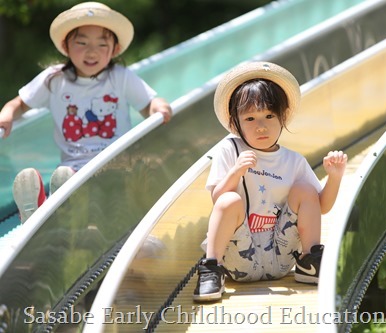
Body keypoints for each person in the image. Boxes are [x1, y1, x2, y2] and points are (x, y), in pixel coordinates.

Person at [0, 2, 172, 223]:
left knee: (105, 194)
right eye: (81, 42)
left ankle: (53, 212)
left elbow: (148, 103)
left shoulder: (120, 77)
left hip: (115, 161)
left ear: (115, 49)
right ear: (66, 45)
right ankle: (41, 213)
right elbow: (19, 104)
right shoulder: (54, 79)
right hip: (74, 166)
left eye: (102, 44)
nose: (92, 51)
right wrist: (6, 115)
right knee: (66, 181)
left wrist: (159, 107)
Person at [194, 61, 348, 302]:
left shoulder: (293, 161)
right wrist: (236, 171)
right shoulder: (230, 149)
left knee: (305, 190)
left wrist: (335, 177)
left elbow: (321, 206)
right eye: (250, 119)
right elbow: (217, 199)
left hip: (281, 255)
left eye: (268, 115)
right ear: (235, 123)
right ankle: (212, 269)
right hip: (240, 257)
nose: (261, 126)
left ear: (282, 117)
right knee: (229, 199)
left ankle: (310, 262)